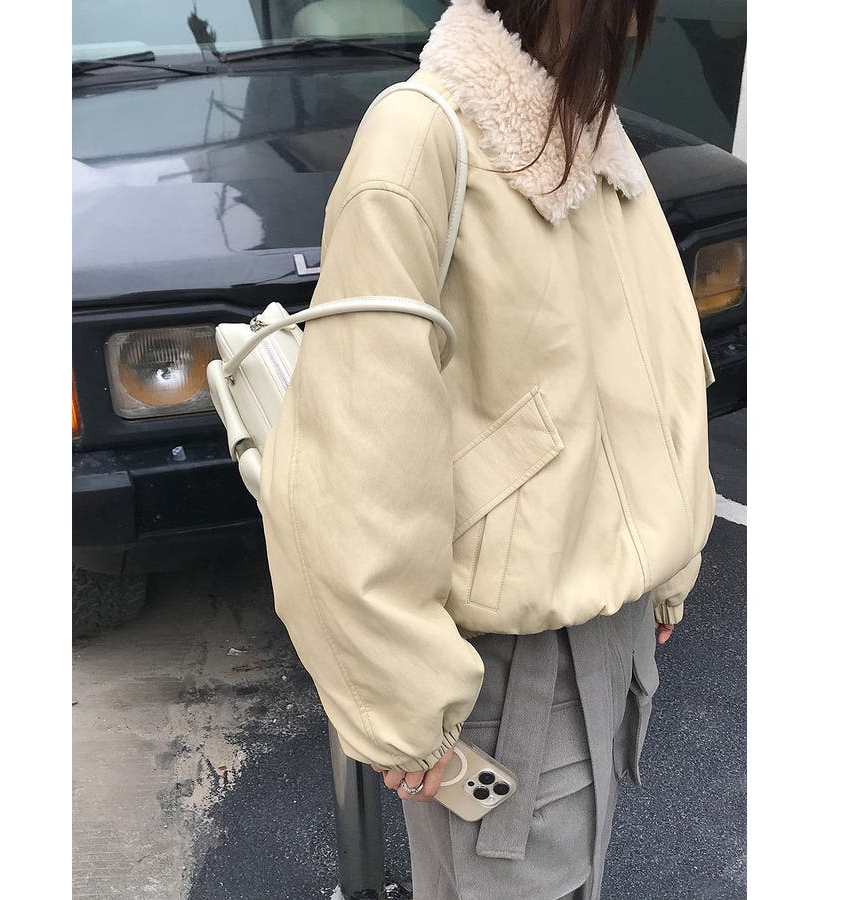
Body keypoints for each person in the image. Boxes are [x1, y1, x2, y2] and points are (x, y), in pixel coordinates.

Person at [258, 1, 716, 897]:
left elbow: (657, 362)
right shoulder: (420, 137)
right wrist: (402, 702)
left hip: (609, 625)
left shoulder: (592, 133)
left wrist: (673, 554)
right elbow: (356, 456)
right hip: (504, 670)